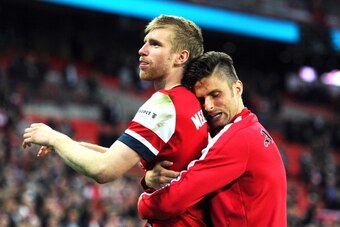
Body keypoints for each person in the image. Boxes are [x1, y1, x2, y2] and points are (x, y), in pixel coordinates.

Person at [22, 15, 209, 226]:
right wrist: (74, 146)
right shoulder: (193, 102)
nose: (142, 50)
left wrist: (55, 138)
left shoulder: (165, 104)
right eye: (145, 42)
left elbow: (104, 170)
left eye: (155, 44)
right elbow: (142, 165)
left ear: (180, 57)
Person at [138, 51, 287, 226]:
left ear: (237, 88)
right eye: (201, 99)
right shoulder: (251, 130)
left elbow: (175, 200)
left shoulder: (238, 138)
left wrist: (144, 203)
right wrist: (149, 178)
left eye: (216, 95)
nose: (208, 106)